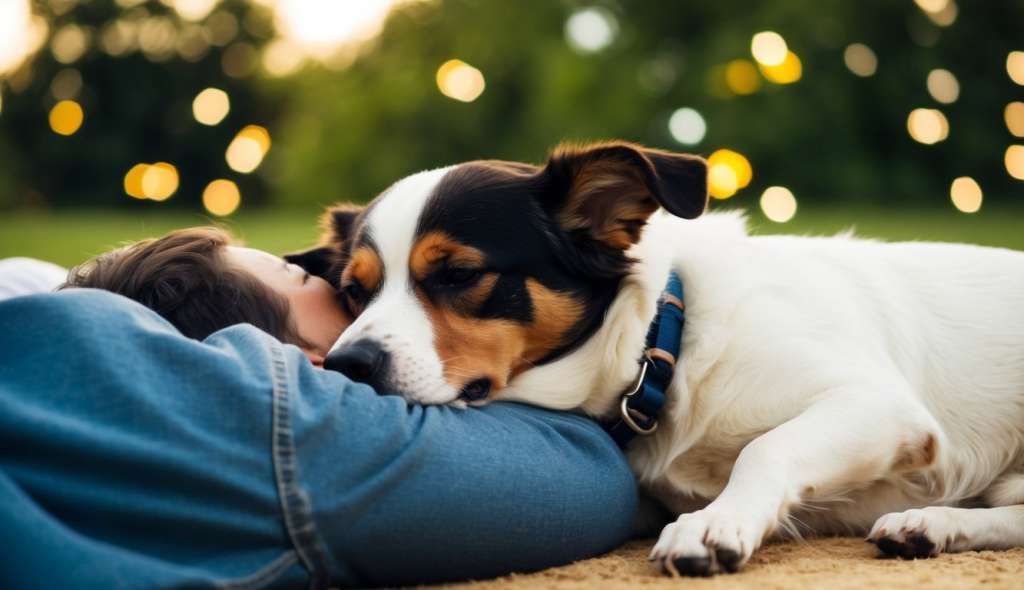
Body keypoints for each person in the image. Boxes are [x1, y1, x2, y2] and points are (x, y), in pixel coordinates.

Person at [0, 227, 638, 589]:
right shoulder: (263, 410)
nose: (343, 287)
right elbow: (588, 475)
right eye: (305, 277)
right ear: (303, 367)